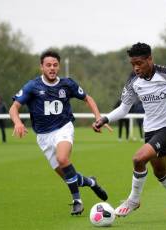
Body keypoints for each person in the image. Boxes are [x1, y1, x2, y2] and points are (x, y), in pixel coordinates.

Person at [93, 42, 166, 219]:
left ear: (150, 59)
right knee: (160, 172)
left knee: (138, 159)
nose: (136, 67)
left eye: (139, 63)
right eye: (133, 64)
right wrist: (104, 119)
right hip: (151, 130)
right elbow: (124, 108)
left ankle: (133, 200)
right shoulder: (133, 81)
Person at [9, 50, 108, 215]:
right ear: (41, 67)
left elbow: (88, 98)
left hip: (64, 127)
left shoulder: (67, 84)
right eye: (48, 65)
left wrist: (98, 118)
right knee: (68, 175)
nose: (52, 68)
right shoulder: (32, 86)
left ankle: (77, 201)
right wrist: (17, 122)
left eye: (55, 65)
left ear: (59, 67)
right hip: (43, 136)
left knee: (63, 158)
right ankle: (91, 182)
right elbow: (14, 107)